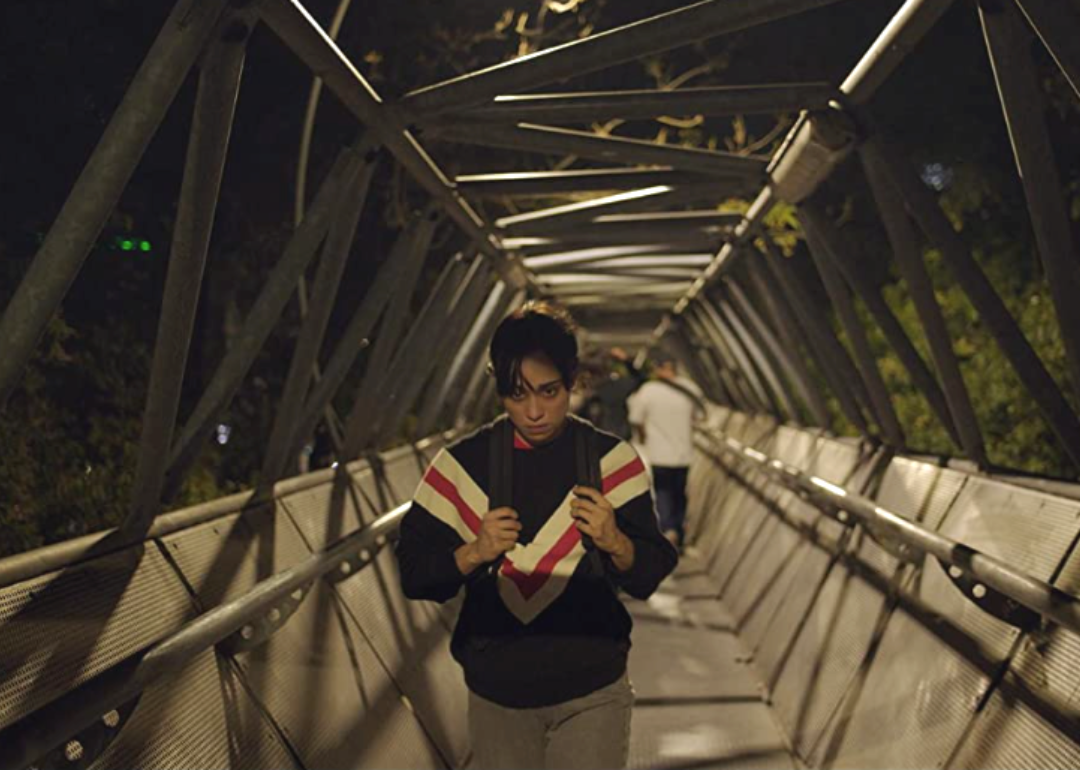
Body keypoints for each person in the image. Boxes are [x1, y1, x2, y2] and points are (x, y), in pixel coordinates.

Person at [396, 301, 678, 770]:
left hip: (594, 688)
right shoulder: (461, 466)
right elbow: (414, 575)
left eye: (549, 392)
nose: (533, 411)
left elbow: (648, 574)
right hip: (497, 694)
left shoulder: (612, 462)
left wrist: (615, 541)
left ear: (574, 380)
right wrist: (474, 552)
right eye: (516, 393)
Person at [627, 353, 704, 551]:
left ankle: (668, 529)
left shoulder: (648, 391)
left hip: (659, 453)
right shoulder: (690, 389)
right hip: (684, 452)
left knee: (663, 491)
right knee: (680, 492)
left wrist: (643, 436)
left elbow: (636, 418)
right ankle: (678, 529)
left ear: (658, 369)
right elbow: (699, 417)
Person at [583, 347, 644, 440]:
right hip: (619, 439)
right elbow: (640, 379)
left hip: (595, 442)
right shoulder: (618, 386)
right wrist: (625, 360)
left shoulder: (584, 391)